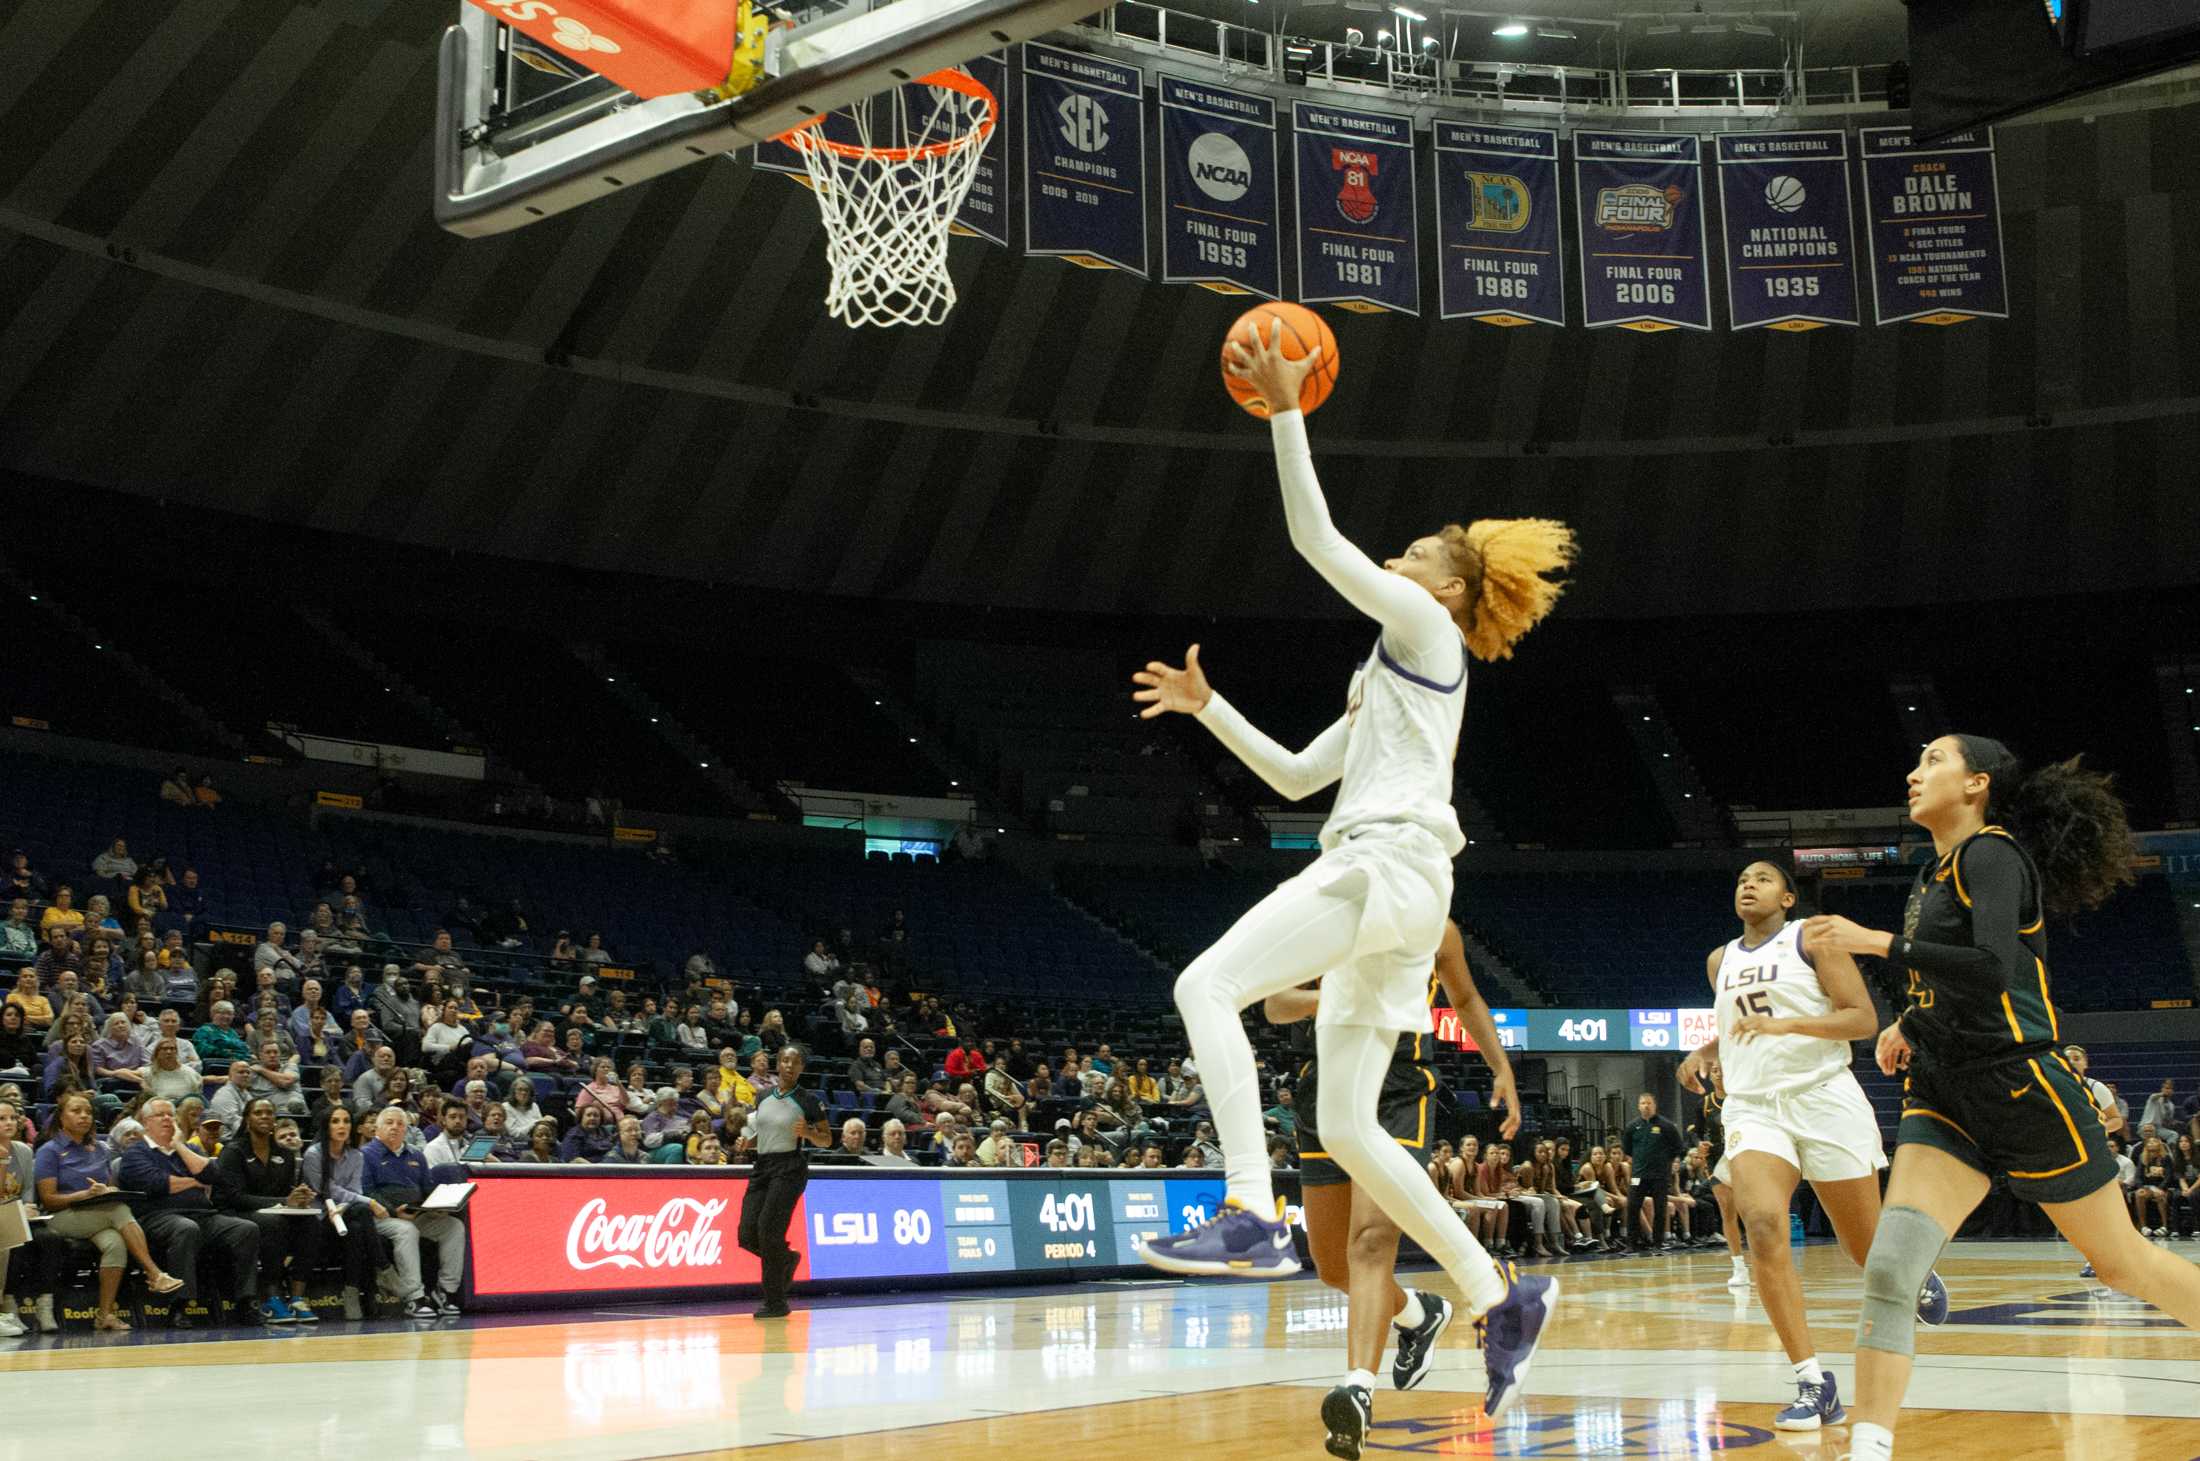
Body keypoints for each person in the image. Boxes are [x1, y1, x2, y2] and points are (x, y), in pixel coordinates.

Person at [1130, 323, 1571, 1421]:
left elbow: (1316, 538)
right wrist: (1208, 708)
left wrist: (1287, 410)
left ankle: (1248, 1209)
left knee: (1202, 987)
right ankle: (1492, 1293)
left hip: (1386, 869)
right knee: (1346, 1128)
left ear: (1452, 590)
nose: (1405, 555)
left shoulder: (1426, 627)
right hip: (1406, 892)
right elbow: (1289, 779)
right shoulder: (1387, 676)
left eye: (1423, 549)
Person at [1801, 734, 2200, 1461]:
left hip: (2023, 1086)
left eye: (1933, 760)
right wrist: (1909, 1019)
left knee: (2124, 1265)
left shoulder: (1994, 854)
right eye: (1916, 760)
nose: (1914, 772)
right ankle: (1869, 1446)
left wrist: (1876, 942)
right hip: (1945, 1093)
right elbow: (1950, 984)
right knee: (1892, 1269)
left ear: (1976, 783)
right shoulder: (1933, 872)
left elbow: (1989, 970)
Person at [1678, 858, 1957, 1427]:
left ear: (1787, 898)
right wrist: (1706, 1052)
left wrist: (1788, 1027)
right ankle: (1813, 1382)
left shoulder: (1812, 938)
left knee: (1865, 1252)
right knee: (1761, 1224)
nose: (1748, 885)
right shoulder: (1719, 960)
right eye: (1740, 879)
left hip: (1823, 1096)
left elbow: (1860, 1019)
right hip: (1756, 1108)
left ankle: (1915, 1271)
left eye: (1762, 878)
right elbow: (1742, 1022)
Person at [1267, 919, 1522, 1458]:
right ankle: (1417, 1314)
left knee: (1370, 1243)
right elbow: (1275, 1004)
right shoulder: (1329, 911)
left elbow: (1468, 997)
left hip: (1400, 1087)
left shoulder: (1438, 928)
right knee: (1332, 1264)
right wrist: (1331, 997)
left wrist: (1501, 1067)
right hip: (1325, 1086)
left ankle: (1358, 1387)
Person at [34, 1093, 184, 1330]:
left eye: (88, 1112)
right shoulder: (49, 1151)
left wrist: (107, 1189)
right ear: (61, 1118)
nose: (84, 1116)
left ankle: (105, 1315)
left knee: (116, 1243)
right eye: (76, 1111)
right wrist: (84, 1195)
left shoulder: (100, 1149)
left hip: (98, 1214)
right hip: (61, 1217)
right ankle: (154, 1274)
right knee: (119, 1210)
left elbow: (111, 1185)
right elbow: (49, 1200)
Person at [119, 1098, 264, 1328]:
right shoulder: (135, 1153)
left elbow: (213, 1174)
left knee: (245, 1229)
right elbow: (159, 1183)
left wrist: (179, 1146)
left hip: (202, 1215)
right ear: (146, 1123)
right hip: (156, 1217)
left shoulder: (189, 1148)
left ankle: (246, 1301)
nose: (167, 1118)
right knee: (185, 1228)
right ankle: (179, 1306)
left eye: (170, 1114)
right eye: (160, 1115)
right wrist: (194, 1182)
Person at [736, 1044, 829, 1319]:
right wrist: (748, 1143)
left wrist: (810, 1133)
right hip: (762, 1166)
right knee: (746, 1234)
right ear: (778, 1064)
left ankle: (775, 1302)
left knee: (768, 1231)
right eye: (785, 1060)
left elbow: (827, 1138)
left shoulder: (808, 1101)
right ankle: (787, 1259)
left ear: (801, 1068)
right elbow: (763, 1133)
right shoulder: (762, 1096)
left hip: (790, 1167)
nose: (789, 1065)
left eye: (795, 1062)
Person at [213, 1097, 322, 1322]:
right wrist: (284, 1202)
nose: (265, 1117)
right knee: (274, 1223)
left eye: (269, 1113)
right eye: (258, 1113)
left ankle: (297, 1298)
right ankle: (272, 1297)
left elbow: (286, 1194)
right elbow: (235, 1197)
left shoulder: (285, 1154)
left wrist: (299, 1199)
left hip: (273, 1211)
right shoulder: (233, 1151)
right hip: (233, 1213)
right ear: (247, 1119)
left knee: (311, 1223)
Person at [363, 1107, 464, 1318]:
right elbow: (366, 1191)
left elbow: (427, 1189)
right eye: (389, 1122)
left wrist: (437, 1206)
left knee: (454, 1226)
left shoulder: (417, 1154)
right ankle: (415, 1297)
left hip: (416, 1214)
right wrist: (392, 1211)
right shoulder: (366, 1154)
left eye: (400, 1124)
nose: (395, 1127)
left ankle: (446, 1291)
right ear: (377, 1129)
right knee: (406, 1230)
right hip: (380, 1217)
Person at [302, 1104, 389, 1319]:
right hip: (320, 1219)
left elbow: (353, 1191)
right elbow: (326, 1189)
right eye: (335, 1121)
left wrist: (346, 1206)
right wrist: (370, 1202)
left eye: (346, 1121)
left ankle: (351, 1292)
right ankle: (383, 1268)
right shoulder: (313, 1154)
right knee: (362, 1214)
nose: (342, 1126)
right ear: (326, 1126)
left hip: (346, 1215)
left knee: (358, 1228)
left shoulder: (356, 1156)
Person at [1622, 1094, 1685, 1249]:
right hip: (1639, 1174)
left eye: (1649, 1103)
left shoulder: (1666, 1125)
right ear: (1638, 1106)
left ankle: (1658, 1243)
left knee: (1660, 1209)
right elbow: (1627, 1149)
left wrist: (1665, 1161)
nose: (1646, 1106)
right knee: (1633, 1207)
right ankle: (1631, 1243)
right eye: (1642, 1103)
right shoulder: (1632, 1126)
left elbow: (1678, 1147)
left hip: (1660, 1175)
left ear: (1654, 1105)